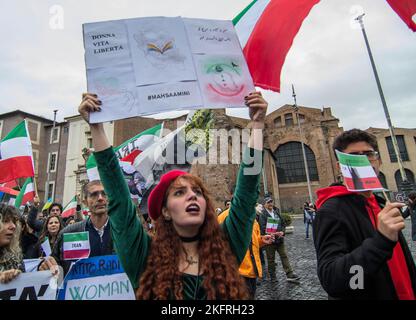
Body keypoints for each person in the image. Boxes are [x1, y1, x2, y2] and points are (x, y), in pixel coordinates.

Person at [77, 90, 267, 299]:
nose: (192, 196)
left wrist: (257, 126)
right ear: (165, 211)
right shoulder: (144, 256)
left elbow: (247, 191)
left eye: (197, 192)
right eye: (179, 192)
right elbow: (118, 196)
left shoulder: (226, 246)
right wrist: (96, 127)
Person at [313, 129, 416, 299]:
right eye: (354, 156)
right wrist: (380, 242)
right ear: (340, 167)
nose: (363, 161)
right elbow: (333, 280)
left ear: (378, 161)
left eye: (368, 154)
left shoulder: (382, 203)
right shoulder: (331, 211)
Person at [39, 180, 115, 274]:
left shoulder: (123, 232)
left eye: (104, 194)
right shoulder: (69, 233)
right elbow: (55, 263)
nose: (100, 198)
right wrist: (45, 265)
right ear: (85, 202)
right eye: (94, 195)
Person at [218, 208, 273, 299]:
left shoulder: (252, 217)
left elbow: (252, 241)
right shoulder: (224, 217)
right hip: (236, 274)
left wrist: (261, 240)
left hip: (252, 272)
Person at [259, 196, 300, 283]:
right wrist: (269, 234)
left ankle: (289, 274)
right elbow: (262, 228)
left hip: (279, 239)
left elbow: (283, 224)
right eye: (268, 202)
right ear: (264, 204)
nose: (270, 204)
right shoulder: (262, 215)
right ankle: (273, 276)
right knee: (271, 259)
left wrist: (282, 232)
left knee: (284, 256)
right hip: (269, 241)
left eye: (271, 202)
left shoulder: (276, 212)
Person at [0, 204, 24, 283]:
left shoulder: (16, 258)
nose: (13, 226)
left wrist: (41, 269)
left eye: (14, 222)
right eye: (5, 221)